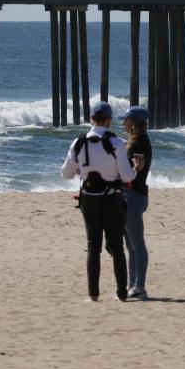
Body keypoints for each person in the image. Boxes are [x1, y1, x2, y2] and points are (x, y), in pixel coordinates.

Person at [61, 102, 136, 302]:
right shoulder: (116, 142)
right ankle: (122, 293)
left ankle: (93, 295)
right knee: (117, 247)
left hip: (89, 200)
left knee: (93, 247)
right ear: (109, 120)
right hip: (112, 199)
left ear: (91, 119)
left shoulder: (78, 142)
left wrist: (81, 170)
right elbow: (127, 176)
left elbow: (66, 174)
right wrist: (135, 169)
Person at [118, 106, 152, 300]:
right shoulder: (134, 141)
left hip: (134, 196)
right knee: (130, 245)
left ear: (135, 123)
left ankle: (140, 285)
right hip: (129, 196)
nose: (123, 123)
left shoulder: (140, 143)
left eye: (126, 121)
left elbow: (136, 169)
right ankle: (132, 284)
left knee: (137, 244)